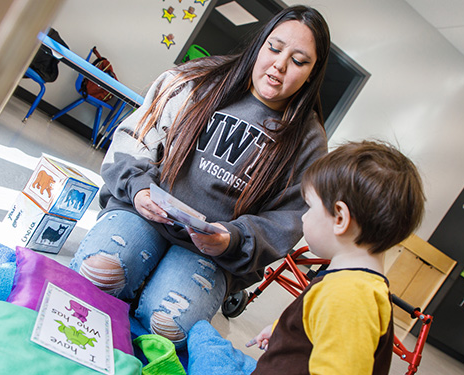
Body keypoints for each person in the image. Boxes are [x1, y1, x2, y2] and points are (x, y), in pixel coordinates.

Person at [70, 5, 331, 349]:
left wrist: (232, 238)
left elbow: (288, 220)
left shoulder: (309, 141)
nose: (279, 66)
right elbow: (135, 138)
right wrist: (138, 189)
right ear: (259, 45)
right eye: (274, 47)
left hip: (212, 254)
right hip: (142, 214)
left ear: (312, 73)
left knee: (168, 327)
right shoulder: (198, 80)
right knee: (98, 272)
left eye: (299, 61)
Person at [235, 140, 426, 375]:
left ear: (340, 218)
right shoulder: (355, 285)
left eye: (309, 207)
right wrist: (283, 330)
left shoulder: (349, 297)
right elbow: (323, 325)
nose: (303, 217)